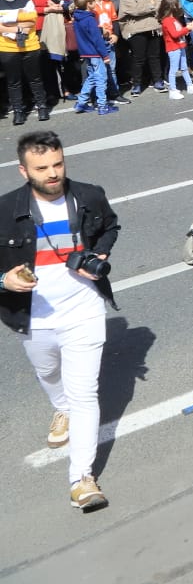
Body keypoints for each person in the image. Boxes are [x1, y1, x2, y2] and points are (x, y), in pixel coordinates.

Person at [0, 131, 118, 511]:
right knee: (50, 374)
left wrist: (98, 253)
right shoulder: (5, 210)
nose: (53, 173)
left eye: (58, 163)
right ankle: (60, 407)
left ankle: (81, 479)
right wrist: (4, 280)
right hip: (34, 317)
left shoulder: (89, 195)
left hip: (84, 310)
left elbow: (110, 226)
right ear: (23, 170)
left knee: (85, 393)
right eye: (42, 168)